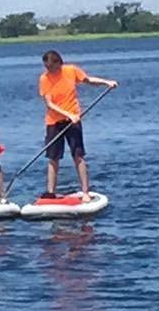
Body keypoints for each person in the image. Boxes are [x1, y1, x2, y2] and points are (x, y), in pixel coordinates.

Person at [38, 50, 117, 199]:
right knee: (53, 158)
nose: (49, 70)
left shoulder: (71, 70)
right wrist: (68, 115)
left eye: (51, 66)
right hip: (54, 122)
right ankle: (50, 192)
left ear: (58, 63)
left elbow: (88, 80)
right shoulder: (44, 79)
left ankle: (85, 192)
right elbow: (49, 104)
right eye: (46, 67)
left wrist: (106, 82)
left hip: (73, 121)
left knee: (78, 155)